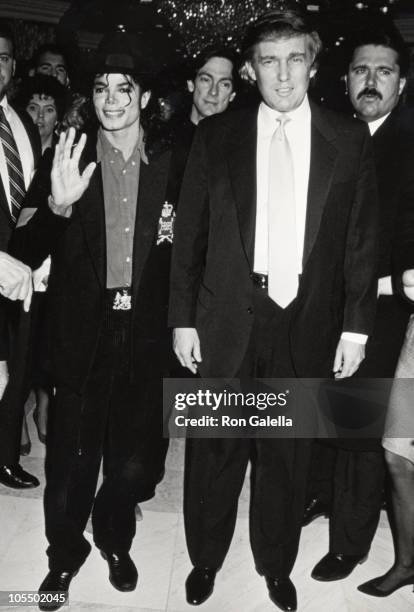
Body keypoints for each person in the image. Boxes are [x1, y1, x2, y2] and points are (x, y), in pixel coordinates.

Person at [169, 9, 378, 612]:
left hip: (306, 318)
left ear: (314, 64)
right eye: (268, 60)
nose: (282, 75)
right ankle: (205, 560)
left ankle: (275, 564)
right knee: (216, 448)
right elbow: (191, 238)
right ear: (250, 69)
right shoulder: (217, 136)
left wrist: (356, 329)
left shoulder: (348, 138)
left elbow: (361, 242)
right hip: (227, 313)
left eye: (294, 59)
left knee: (287, 453)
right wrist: (182, 318)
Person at [12, 29, 171, 610]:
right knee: (70, 462)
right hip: (84, 333)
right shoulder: (67, 154)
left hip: (148, 336)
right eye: (101, 88)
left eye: (122, 89)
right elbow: (25, 249)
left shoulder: (171, 166)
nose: (110, 100)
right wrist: (57, 205)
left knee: (136, 463)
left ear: (144, 98)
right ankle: (63, 556)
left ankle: (112, 534)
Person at [306, 22, 414, 583]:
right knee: (319, 404)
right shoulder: (331, 133)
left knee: (359, 425)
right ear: (345, 78)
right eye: (361, 70)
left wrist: (389, 284)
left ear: (402, 82)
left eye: (385, 70)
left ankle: (349, 542)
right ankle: (321, 496)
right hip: (321, 305)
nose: (371, 81)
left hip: (384, 310)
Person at [0, 20, 41, 489]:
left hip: (22, 276)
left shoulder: (21, 122)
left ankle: (5, 456)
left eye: (5, 57)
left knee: (18, 373)